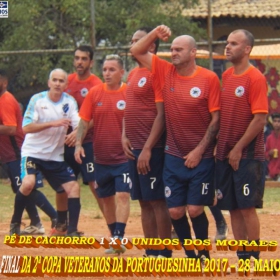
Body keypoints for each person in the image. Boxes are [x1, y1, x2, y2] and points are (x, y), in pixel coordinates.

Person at [130, 25, 220, 260]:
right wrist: (155, 34)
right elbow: (137, 51)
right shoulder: (165, 71)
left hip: (201, 156)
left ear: (193, 53)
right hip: (173, 155)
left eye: (179, 49)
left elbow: (216, 119)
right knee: (176, 211)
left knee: (195, 209)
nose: (174, 53)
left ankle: (202, 254)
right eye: (171, 49)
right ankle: (191, 255)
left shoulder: (208, 78)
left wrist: (199, 151)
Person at [10, 68, 82, 237]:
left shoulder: (69, 102)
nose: (57, 84)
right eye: (54, 80)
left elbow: (79, 123)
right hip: (33, 152)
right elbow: (26, 127)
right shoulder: (38, 99)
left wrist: (76, 134)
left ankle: (70, 230)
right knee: (28, 184)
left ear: (66, 84)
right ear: (49, 82)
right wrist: (52, 123)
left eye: (61, 81)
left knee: (73, 188)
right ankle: (15, 223)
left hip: (54, 156)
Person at [215, 29, 268, 261]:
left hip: (247, 155)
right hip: (225, 154)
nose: (228, 47)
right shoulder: (226, 76)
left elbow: (259, 119)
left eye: (234, 43)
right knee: (233, 207)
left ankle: (255, 256)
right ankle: (243, 257)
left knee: (247, 207)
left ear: (247, 49)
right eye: (227, 42)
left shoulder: (255, 77)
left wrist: (238, 148)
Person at [122, 27, 172, 258]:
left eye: (137, 41)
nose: (132, 46)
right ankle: (151, 251)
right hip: (134, 147)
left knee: (157, 201)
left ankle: (164, 251)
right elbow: (129, 109)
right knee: (143, 201)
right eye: (131, 41)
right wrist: (124, 135)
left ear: (150, 46)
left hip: (152, 148)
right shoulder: (133, 74)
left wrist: (149, 149)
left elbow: (161, 115)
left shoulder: (157, 71)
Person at [75, 55, 130, 254]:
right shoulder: (94, 93)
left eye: (112, 69)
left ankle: (118, 237)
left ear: (122, 72)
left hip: (124, 158)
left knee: (123, 195)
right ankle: (113, 233)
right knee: (105, 198)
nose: (107, 73)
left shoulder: (129, 92)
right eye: (105, 69)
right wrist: (78, 145)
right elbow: (83, 121)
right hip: (101, 158)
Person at [49, 45, 104, 236]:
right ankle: (61, 226)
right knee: (62, 185)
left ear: (91, 62)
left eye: (84, 58)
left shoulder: (95, 84)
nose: (79, 62)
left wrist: (78, 133)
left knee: (94, 184)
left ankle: (113, 228)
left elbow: (97, 115)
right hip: (65, 144)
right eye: (77, 58)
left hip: (87, 142)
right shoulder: (67, 81)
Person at [0, 69, 57, 235]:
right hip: (8, 154)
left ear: (4, 82)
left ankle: (56, 218)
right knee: (21, 189)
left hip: (18, 151)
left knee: (27, 188)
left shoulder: (6, 100)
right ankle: (36, 223)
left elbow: (11, 129)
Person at [265, 113, 280, 181]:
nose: (276, 123)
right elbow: (265, 154)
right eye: (275, 121)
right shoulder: (269, 138)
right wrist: (269, 153)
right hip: (272, 171)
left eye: (279, 121)